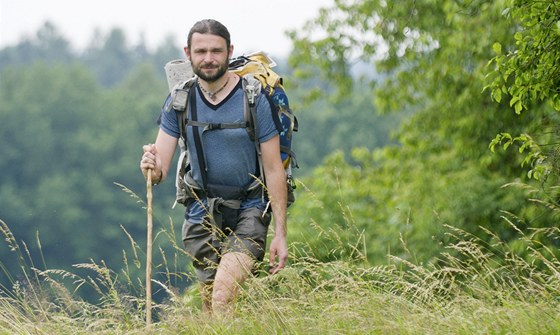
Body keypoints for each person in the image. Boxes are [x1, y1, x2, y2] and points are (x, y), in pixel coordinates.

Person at [139, 19, 288, 314]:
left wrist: (280, 234)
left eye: (216, 51)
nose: (209, 58)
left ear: (230, 52)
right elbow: (160, 171)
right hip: (200, 212)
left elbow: (273, 169)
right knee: (211, 306)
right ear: (188, 53)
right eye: (201, 51)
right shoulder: (179, 101)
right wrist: (150, 165)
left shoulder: (254, 99)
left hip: (251, 207)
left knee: (222, 296)